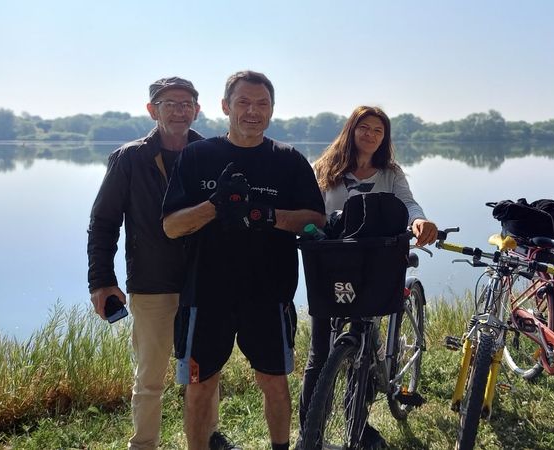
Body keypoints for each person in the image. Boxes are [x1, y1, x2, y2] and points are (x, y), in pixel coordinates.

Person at [162, 70, 325, 450]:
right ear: (225, 107)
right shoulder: (197, 156)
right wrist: (214, 206)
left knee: (274, 381)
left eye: (262, 103)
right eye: (243, 102)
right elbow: (171, 226)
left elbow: (315, 219)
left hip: (269, 294)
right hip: (206, 294)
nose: (253, 111)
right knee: (201, 385)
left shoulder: (287, 159)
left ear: (272, 109)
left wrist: (266, 215)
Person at [87, 77, 235, 449]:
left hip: (206, 282)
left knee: (204, 373)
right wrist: (101, 280)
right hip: (152, 282)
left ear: (198, 110)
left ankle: (209, 436)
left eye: (187, 104)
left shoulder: (213, 153)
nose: (179, 111)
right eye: (170, 103)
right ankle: (144, 444)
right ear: (152, 110)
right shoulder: (130, 158)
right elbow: (104, 222)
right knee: (150, 377)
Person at [298, 105, 438, 448]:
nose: (371, 135)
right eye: (365, 128)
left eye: (378, 130)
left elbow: (408, 204)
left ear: (384, 137)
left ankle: (356, 429)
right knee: (320, 353)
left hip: (376, 264)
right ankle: (310, 432)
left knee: (366, 343)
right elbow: (309, 210)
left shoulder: (390, 173)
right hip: (333, 266)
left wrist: (419, 222)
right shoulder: (325, 169)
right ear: (352, 130)